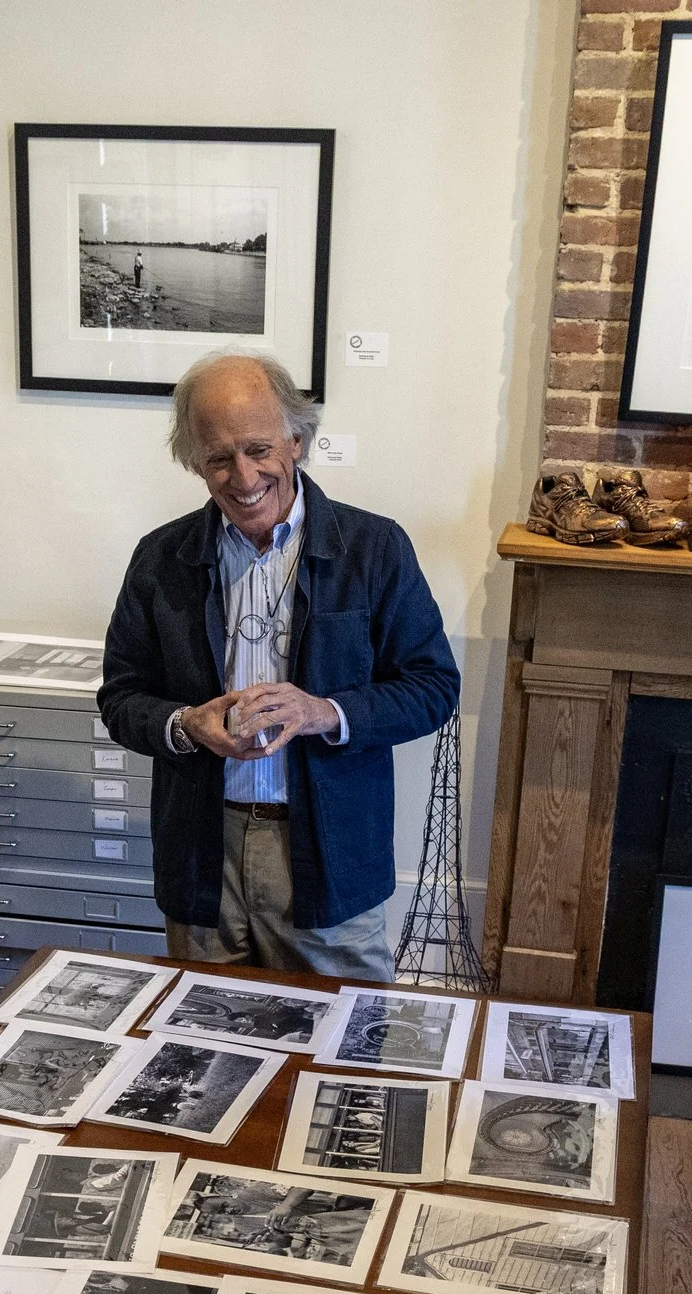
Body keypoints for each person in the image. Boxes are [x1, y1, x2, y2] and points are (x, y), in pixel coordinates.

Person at [99, 350, 458, 981]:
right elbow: (121, 696)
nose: (243, 476)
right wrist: (185, 724)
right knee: (202, 1027)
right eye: (218, 457)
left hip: (328, 856)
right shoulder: (160, 558)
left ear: (297, 440)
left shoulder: (374, 549)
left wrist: (323, 712)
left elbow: (433, 687)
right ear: (194, 461)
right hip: (202, 856)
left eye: (259, 449)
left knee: (343, 1030)